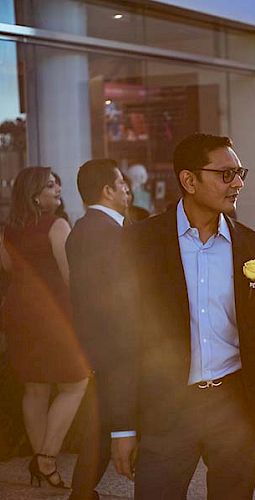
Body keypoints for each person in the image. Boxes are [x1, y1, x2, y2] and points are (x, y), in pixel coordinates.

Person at [110, 133, 255, 499]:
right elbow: (123, 340)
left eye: (239, 173)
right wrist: (122, 428)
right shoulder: (139, 244)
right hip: (167, 412)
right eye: (225, 174)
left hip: (236, 409)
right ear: (189, 181)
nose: (237, 183)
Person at [0, 167, 89, 488]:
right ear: (34, 194)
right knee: (76, 382)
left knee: (35, 388)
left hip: (18, 313)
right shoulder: (57, 224)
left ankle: (43, 466)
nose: (58, 188)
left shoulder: (8, 230)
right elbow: (70, 277)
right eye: (50, 185)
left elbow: (8, 269)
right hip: (52, 315)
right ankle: (47, 458)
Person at [65, 159, 130, 500]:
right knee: (114, 422)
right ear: (107, 190)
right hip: (116, 344)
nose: (127, 189)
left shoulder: (81, 229)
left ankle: (82, 492)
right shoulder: (111, 233)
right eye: (121, 183)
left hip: (95, 341)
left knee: (101, 425)